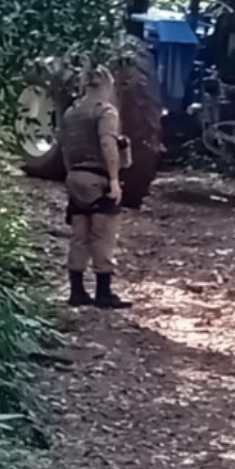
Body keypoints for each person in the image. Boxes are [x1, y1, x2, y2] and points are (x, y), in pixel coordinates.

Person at [58, 64, 133, 309]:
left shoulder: (71, 113)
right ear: (107, 85)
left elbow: (66, 148)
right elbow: (107, 145)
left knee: (79, 236)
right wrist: (113, 180)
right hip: (98, 179)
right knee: (103, 235)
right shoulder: (105, 111)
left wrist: (71, 175)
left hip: (75, 179)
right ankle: (103, 293)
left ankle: (77, 291)